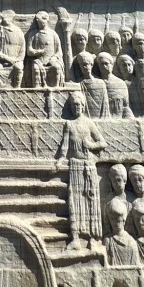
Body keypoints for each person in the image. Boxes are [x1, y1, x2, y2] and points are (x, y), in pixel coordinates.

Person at [56, 91, 106, 251]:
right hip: (75, 166)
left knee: (91, 200)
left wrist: (91, 145)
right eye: (73, 105)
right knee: (75, 201)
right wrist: (61, 159)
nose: (76, 107)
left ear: (83, 106)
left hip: (89, 165)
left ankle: (93, 238)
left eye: (78, 105)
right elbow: (65, 144)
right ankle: (76, 238)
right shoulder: (69, 124)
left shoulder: (89, 123)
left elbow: (102, 142)